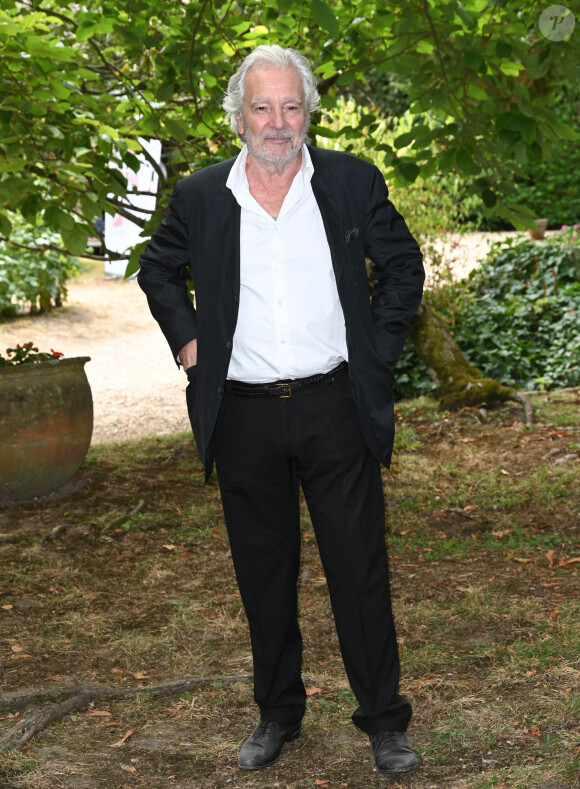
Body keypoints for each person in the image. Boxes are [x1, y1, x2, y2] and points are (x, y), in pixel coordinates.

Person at [138, 44, 425, 775]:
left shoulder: (351, 183)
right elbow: (157, 268)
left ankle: (384, 721)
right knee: (262, 569)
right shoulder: (203, 196)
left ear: (308, 113)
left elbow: (402, 266)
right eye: (262, 107)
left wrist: (378, 352)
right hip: (243, 415)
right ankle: (277, 712)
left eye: (291, 106)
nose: (277, 121)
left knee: (358, 568)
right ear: (239, 116)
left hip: (334, 404)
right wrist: (189, 340)